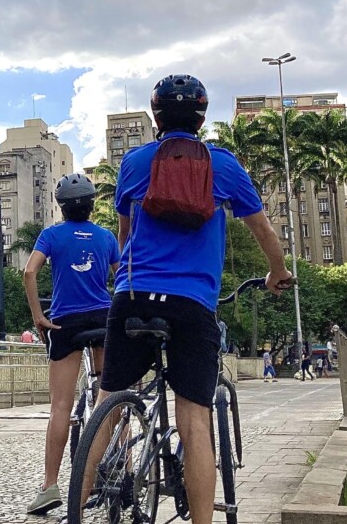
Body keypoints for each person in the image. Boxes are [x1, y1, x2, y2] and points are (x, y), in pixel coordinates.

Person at [82, 74, 295, 524]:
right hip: (193, 303)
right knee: (194, 419)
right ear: (202, 116)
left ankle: (76, 505)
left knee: (108, 398)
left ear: (156, 116)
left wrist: (121, 270)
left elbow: (125, 232)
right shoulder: (224, 165)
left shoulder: (135, 162)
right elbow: (264, 231)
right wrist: (277, 271)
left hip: (135, 297)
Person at [23, 173, 119, 515]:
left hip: (64, 322)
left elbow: (30, 272)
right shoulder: (106, 237)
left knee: (60, 406)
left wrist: (38, 316)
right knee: (112, 395)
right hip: (104, 319)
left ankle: (50, 486)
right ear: (92, 205)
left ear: (61, 207)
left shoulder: (51, 235)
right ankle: (121, 466)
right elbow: (121, 276)